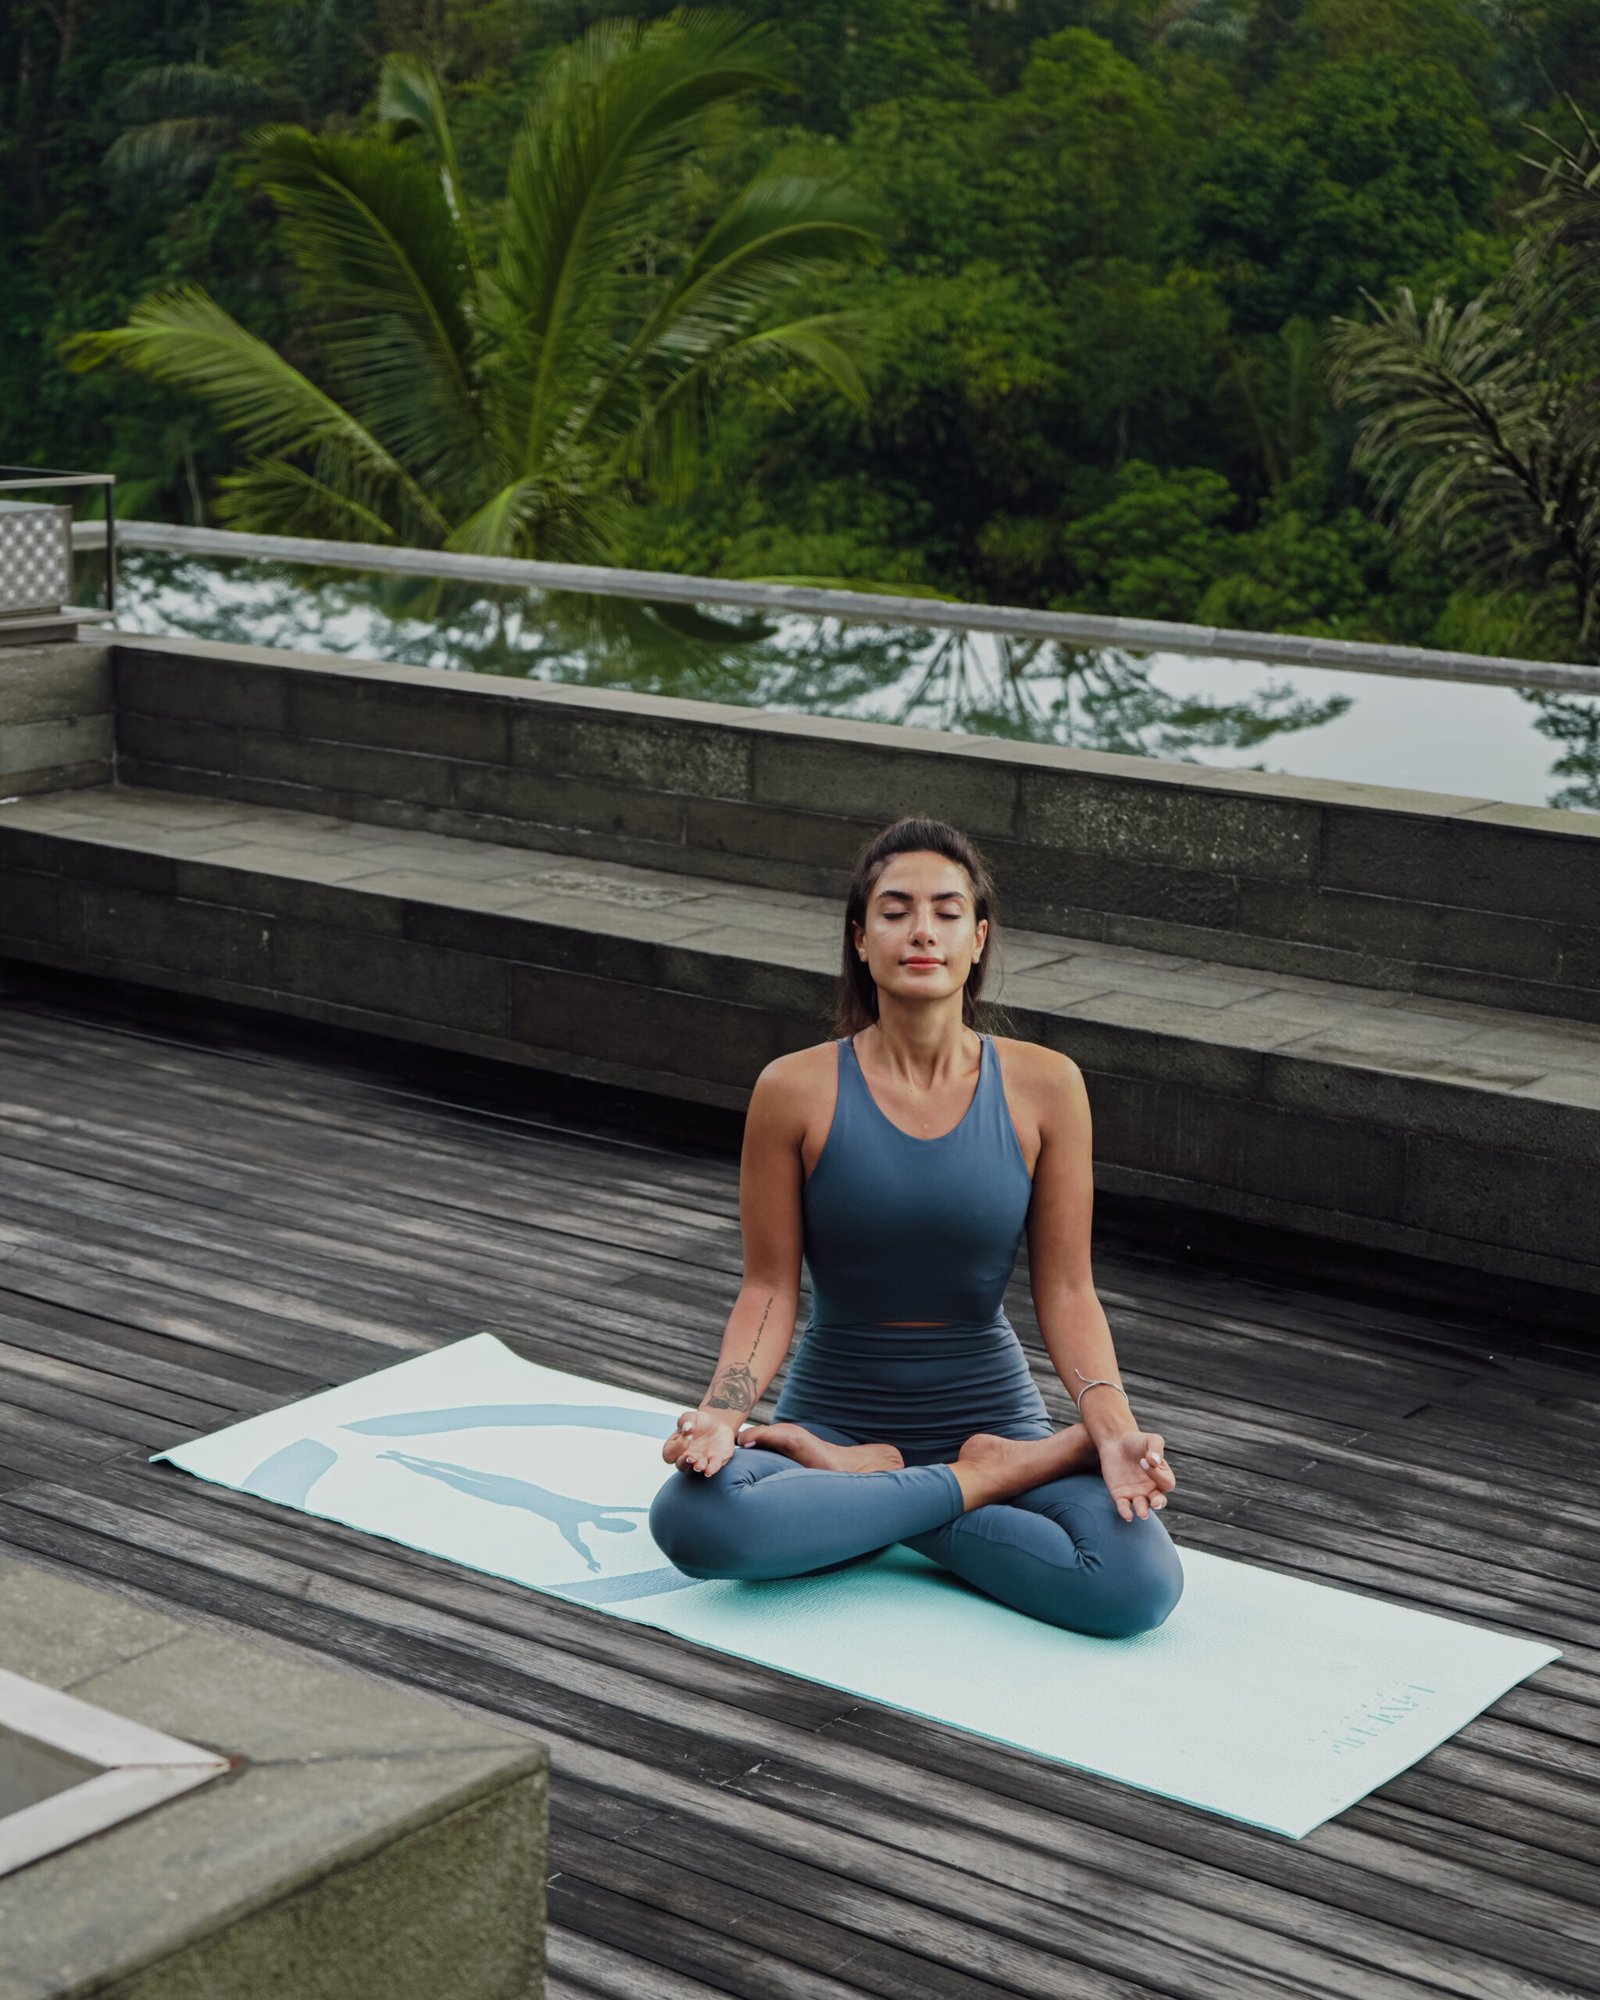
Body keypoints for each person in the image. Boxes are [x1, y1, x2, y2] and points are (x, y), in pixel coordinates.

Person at [648, 815, 1183, 1639]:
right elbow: (769, 1286)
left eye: (947, 911)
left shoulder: (1047, 1085)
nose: (922, 931)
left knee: (1135, 1584)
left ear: (978, 939)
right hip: (832, 1415)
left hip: (990, 1410)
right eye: (895, 912)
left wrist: (1110, 1430)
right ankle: (967, 1478)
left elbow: (1069, 1289)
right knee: (692, 1522)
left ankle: (876, 1493)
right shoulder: (793, 1088)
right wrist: (721, 1413)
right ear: (861, 941)